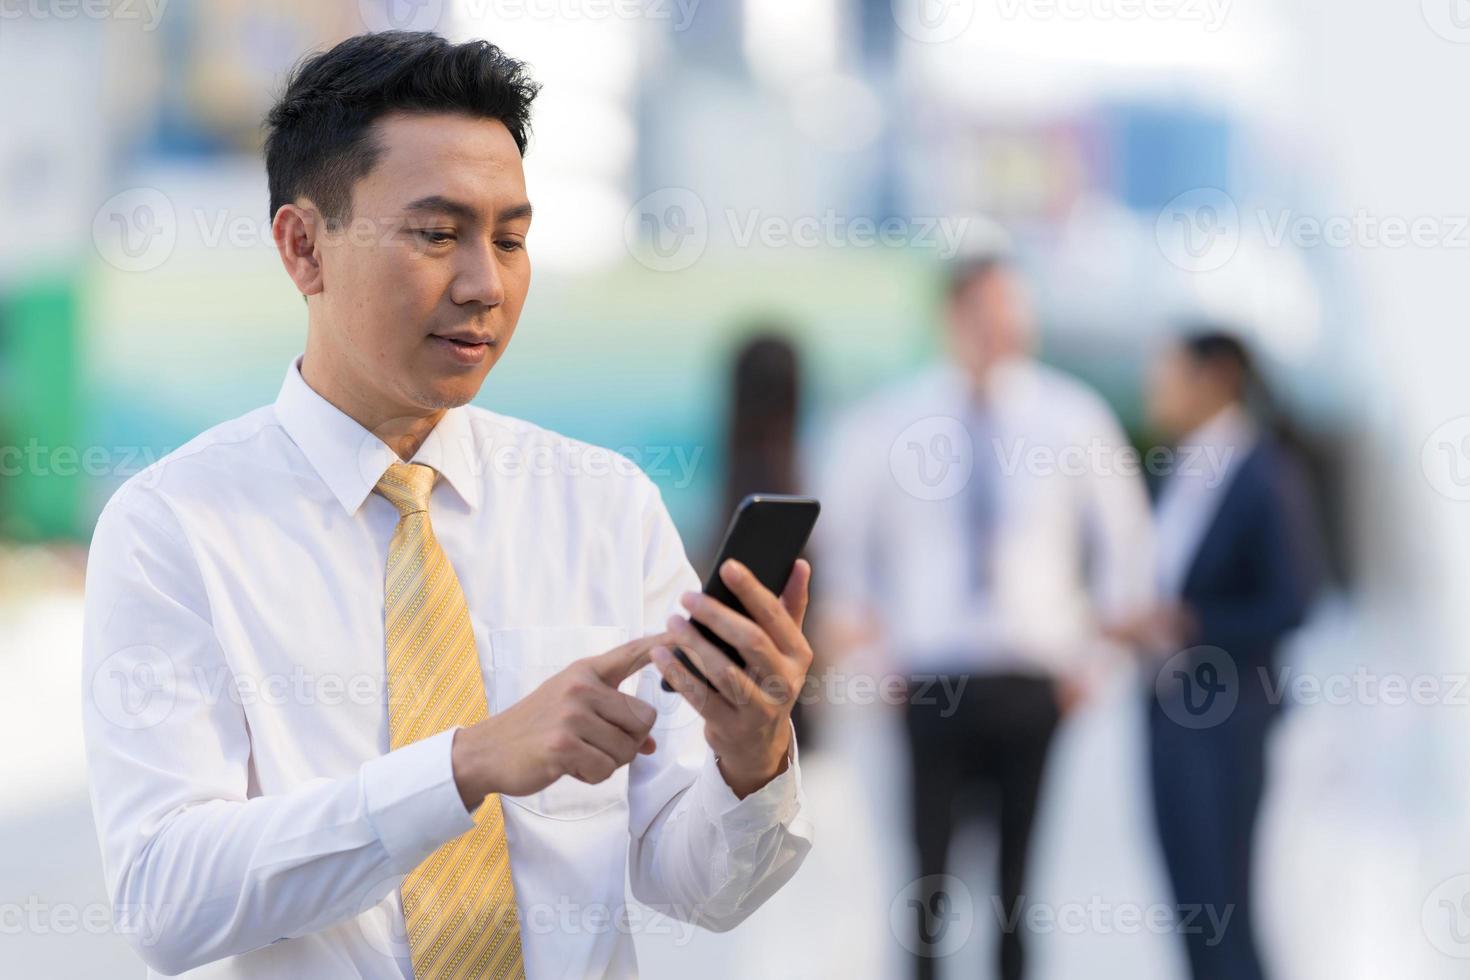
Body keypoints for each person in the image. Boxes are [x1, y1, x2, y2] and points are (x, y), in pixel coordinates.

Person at [80, 31, 813, 980]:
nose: (485, 285)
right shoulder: (173, 529)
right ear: (304, 248)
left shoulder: (603, 508)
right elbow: (166, 900)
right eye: (436, 234)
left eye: (510, 239)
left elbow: (701, 887)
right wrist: (462, 765)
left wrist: (749, 757)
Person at [814, 253, 1154, 980]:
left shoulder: (1073, 417)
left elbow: (1126, 548)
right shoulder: (890, 421)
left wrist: (1097, 666)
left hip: (1033, 677)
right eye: (986, 313)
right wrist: (876, 663)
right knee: (925, 877)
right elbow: (843, 551)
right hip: (929, 677)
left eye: (1013, 312)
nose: (1002, 329)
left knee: (1017, 882)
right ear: (952, 318)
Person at [1113, 330, 1322, 980]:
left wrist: (1190, 623)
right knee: (1192, 911)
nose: (1156, 386)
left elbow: (1293, 602)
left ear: (1217, 375)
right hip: (1169, 710)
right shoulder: (1182, 467)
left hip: (1225, 721)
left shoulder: (1262, 470)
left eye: (1170, 371)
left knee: (1222, 906)